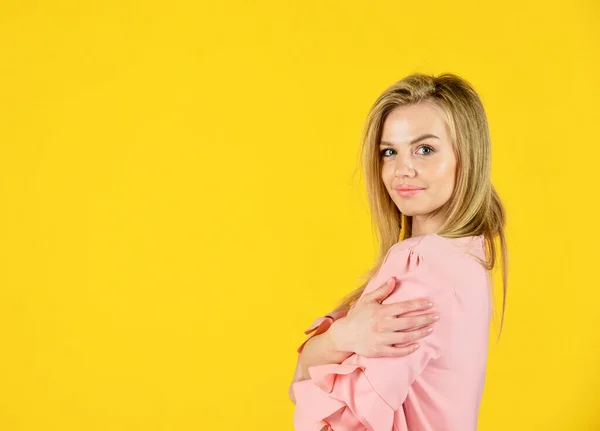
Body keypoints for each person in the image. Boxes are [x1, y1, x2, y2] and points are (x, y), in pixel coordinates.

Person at [289, 72, 508, 431]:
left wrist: (330, 344)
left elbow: (333, 417)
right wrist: (340, 339)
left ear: (467, 156)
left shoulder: (424, 264)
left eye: (425, 149)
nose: (402, 170)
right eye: (389, 151)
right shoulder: (469, 256)